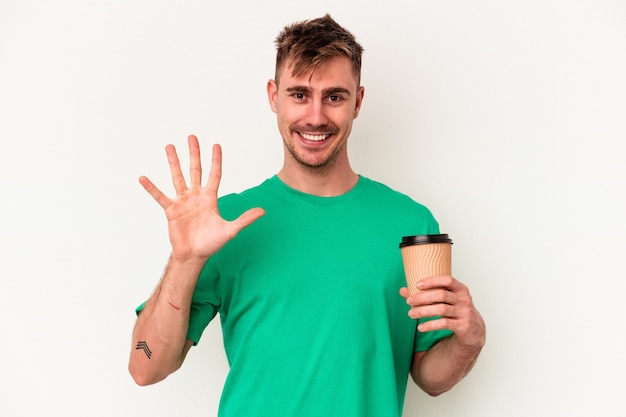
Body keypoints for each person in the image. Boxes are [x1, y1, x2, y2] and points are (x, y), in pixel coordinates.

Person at [128, 14, 486, 417]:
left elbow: (429, 376)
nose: (315, 116)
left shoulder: (411, 225)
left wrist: (468, 340)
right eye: (299, 94)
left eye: (334, 96)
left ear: (358, 102)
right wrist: (184, 260)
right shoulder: (225, 223)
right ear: (273, 96)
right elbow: (146, 366)